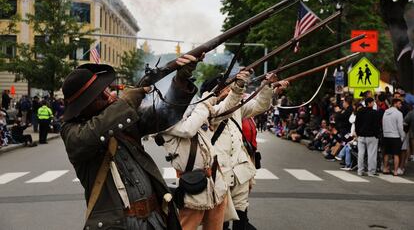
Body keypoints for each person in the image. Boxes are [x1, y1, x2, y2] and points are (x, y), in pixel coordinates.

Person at [60, 56, 199, 230]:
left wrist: (181, 80)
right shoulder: (72, 130)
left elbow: (165, 115)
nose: (109, 95)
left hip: (154, 219)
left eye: (106, 89)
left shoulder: (121, 117)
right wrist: (126, 102)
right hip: (119, 224)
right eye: (100, 95)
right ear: (84, 105)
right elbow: (86, 138)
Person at [154, 70, 250, 230]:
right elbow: (188, 129)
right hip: (193, 184)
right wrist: (206, 101)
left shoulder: (197, 111)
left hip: (216, 183)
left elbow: (225, 107)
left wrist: (238, 87)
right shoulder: (166, 120)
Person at [214, 73, 288, 230]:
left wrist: (267, 86)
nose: (230, 90)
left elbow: (260, 105)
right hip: (220, 171)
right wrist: (238, 86)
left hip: (240, 170)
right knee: (221, 218)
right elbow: (226, 106)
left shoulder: (237, 108)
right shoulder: (210, 110)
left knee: (241, 216)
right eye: (227, 87)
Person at [355, 97, 381, 176]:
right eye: (373, 102)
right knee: (371, 154)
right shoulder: (375, 113)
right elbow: (377, 125)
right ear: (369, 103)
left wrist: (358, 133)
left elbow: (357, 123)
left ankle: (360, 170)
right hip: (371, 136)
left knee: (361, 154)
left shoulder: (359, 111)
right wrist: (377, 134)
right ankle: (371, 171)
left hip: (361, 136)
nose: (374, 104)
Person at [382, 98, 405, 176]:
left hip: (386, 135)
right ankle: (395, 171)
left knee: (386, 153)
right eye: (399, 104)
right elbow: (400, 127)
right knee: (396, 154)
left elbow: (383, 123)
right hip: (395, 136)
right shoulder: (399, 113)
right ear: (395, 104)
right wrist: (402, 136)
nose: (400, 105)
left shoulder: (386, 112)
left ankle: (385, 168)